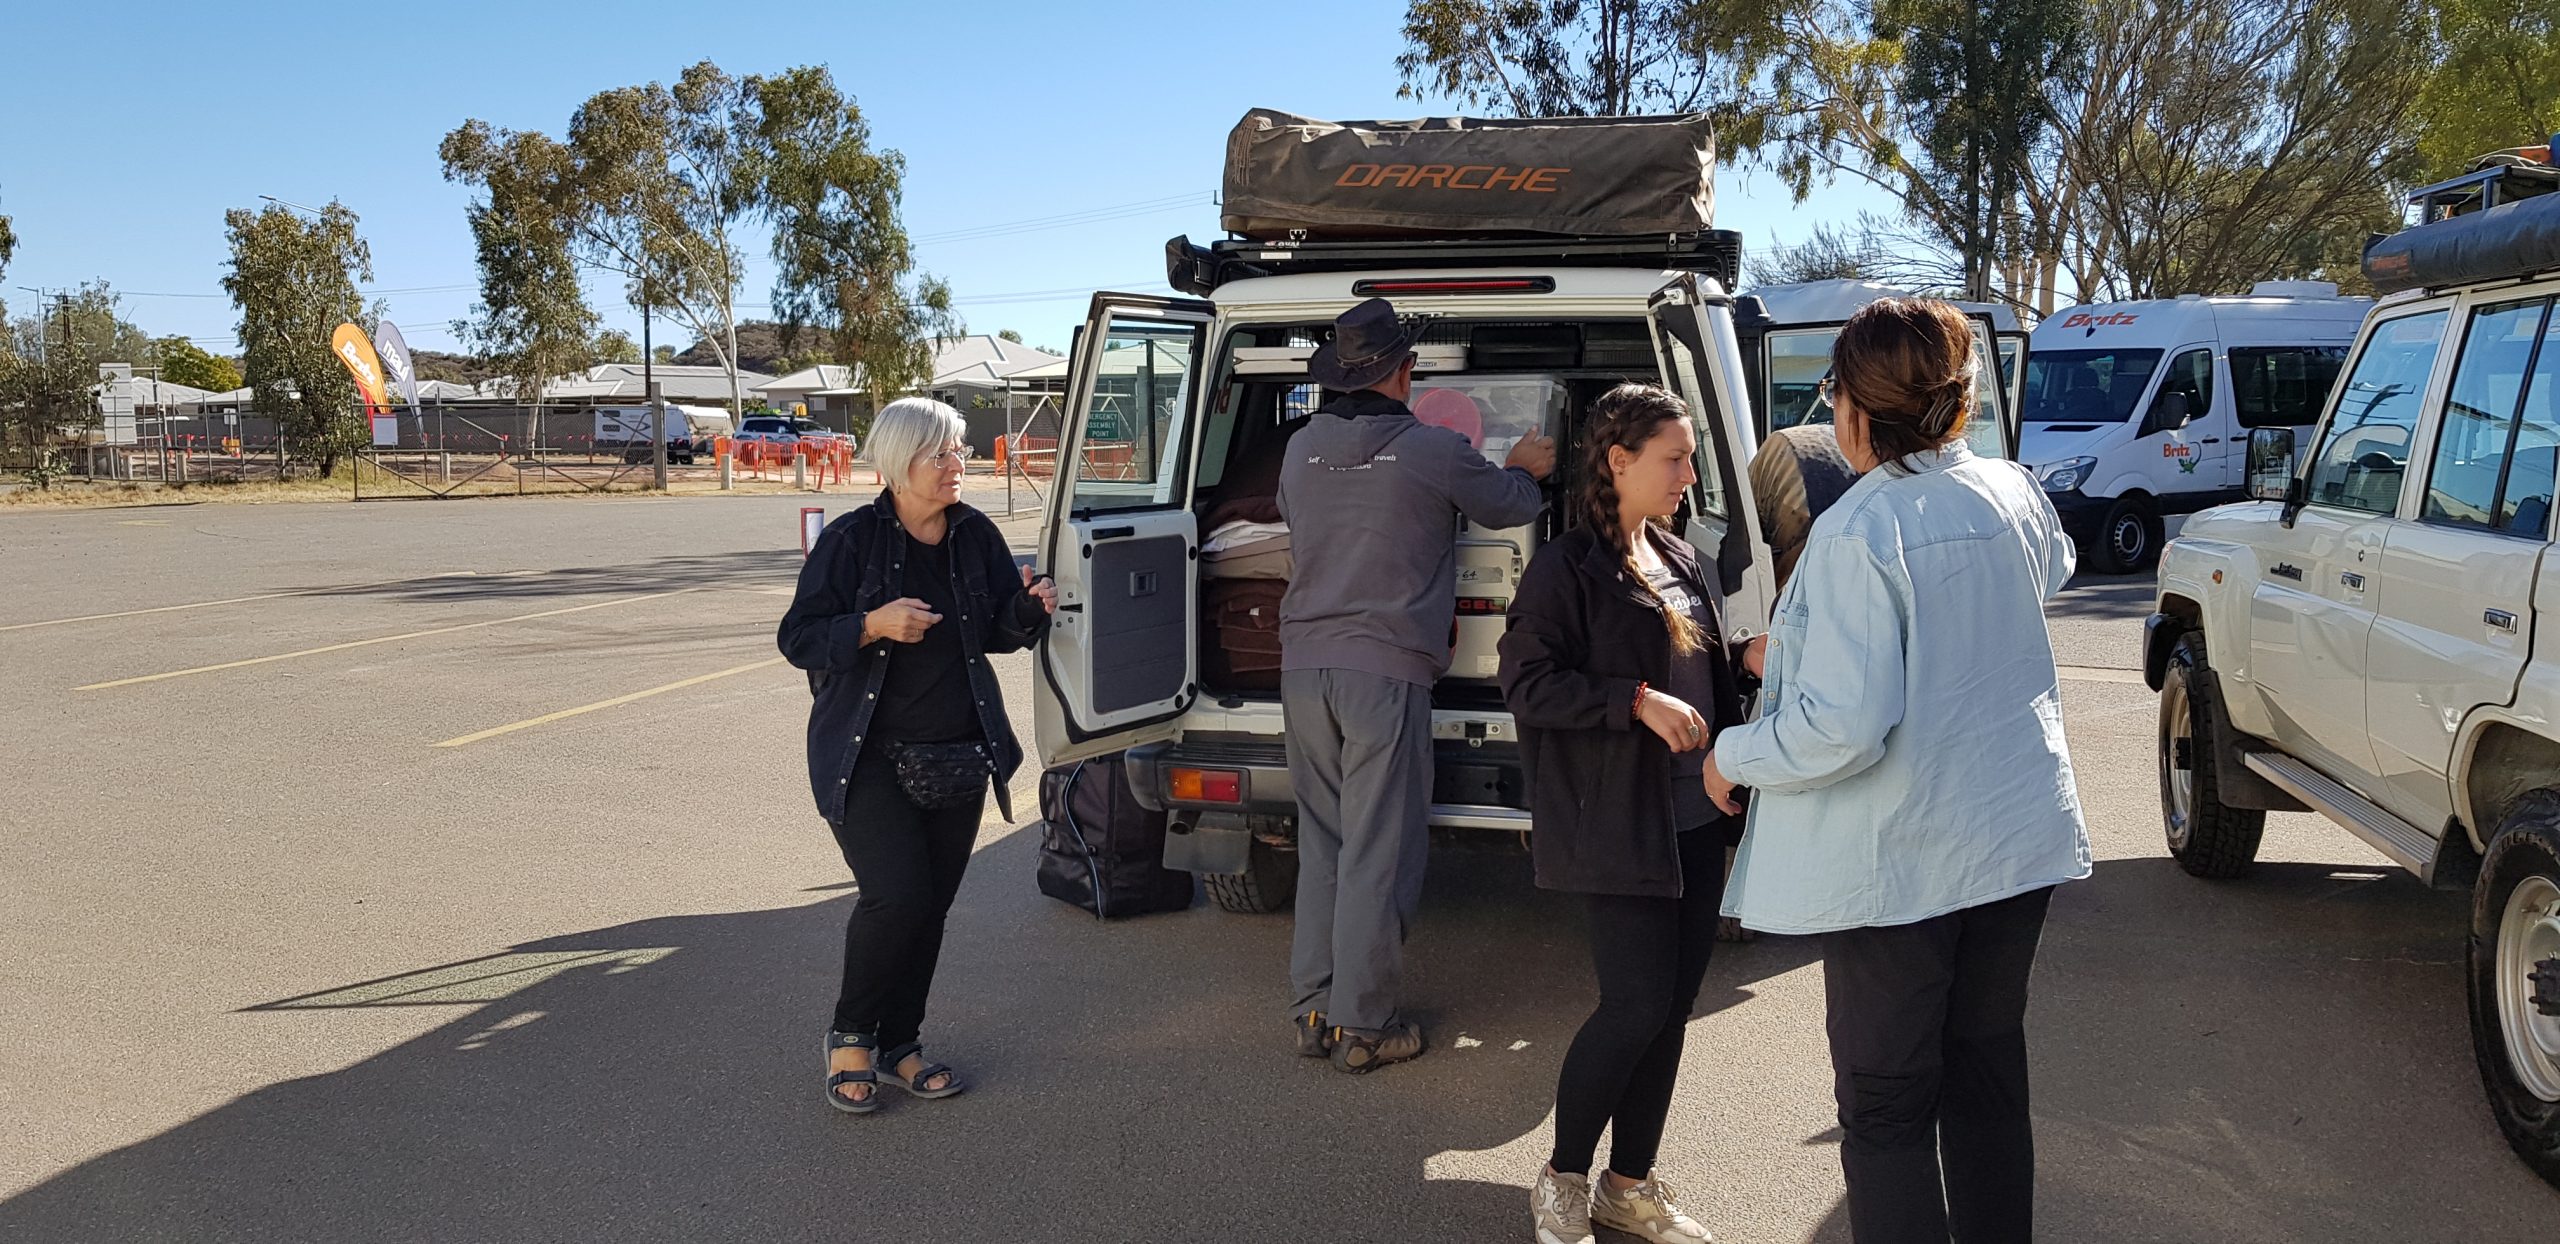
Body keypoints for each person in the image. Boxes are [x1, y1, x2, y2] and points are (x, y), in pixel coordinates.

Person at [1703, 299, 2090, 1242]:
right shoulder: (2010, 491)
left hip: (1900, 864)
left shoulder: (1857, 531)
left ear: (1850, 412)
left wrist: (1732, 753)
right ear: (1958, 405)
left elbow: (1841, 729)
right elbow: (2058, 570)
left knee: (1885, 1108)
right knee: (1988, 1076)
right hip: (2013, 842)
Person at [1278, 297, 1557, 1074]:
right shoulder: (1430, 447)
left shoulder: (1300, 451)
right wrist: (1526, 466)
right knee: (1379, 849)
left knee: (1324, 844)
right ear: (1406, 374)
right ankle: (1365, 1026)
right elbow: (1511, 506)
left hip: (1303, 670)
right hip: (1384, 672)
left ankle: (1315, 1009)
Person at [1499, 384, 1741, 1244]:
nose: (1687, 473)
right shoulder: (1567, 568)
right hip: (1617, 819)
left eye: (1688, 458)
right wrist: (1631, 701)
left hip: (1694, 822)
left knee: (1670, 1011)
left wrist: (1743, 663)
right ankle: (1564, 1177)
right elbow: (1526, 682)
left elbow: (1700, 679)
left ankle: (1627, 1187)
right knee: (1634, 1006)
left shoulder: (1679, 557)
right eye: (1673, 458)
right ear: (1618, 460)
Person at [776, 397, 1058, 1115]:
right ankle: (850, 1037)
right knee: (894, 895)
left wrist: (1029, 608)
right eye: (943, 454)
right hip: (866, 755)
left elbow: (994, 629)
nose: (958, 465)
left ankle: (902, 1045)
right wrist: (870, 624)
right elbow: (799, 638)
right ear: (901, 465)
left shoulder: (975, 537)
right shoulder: (851, 541)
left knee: (929, 907)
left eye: (960, 451)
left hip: (956, 755)